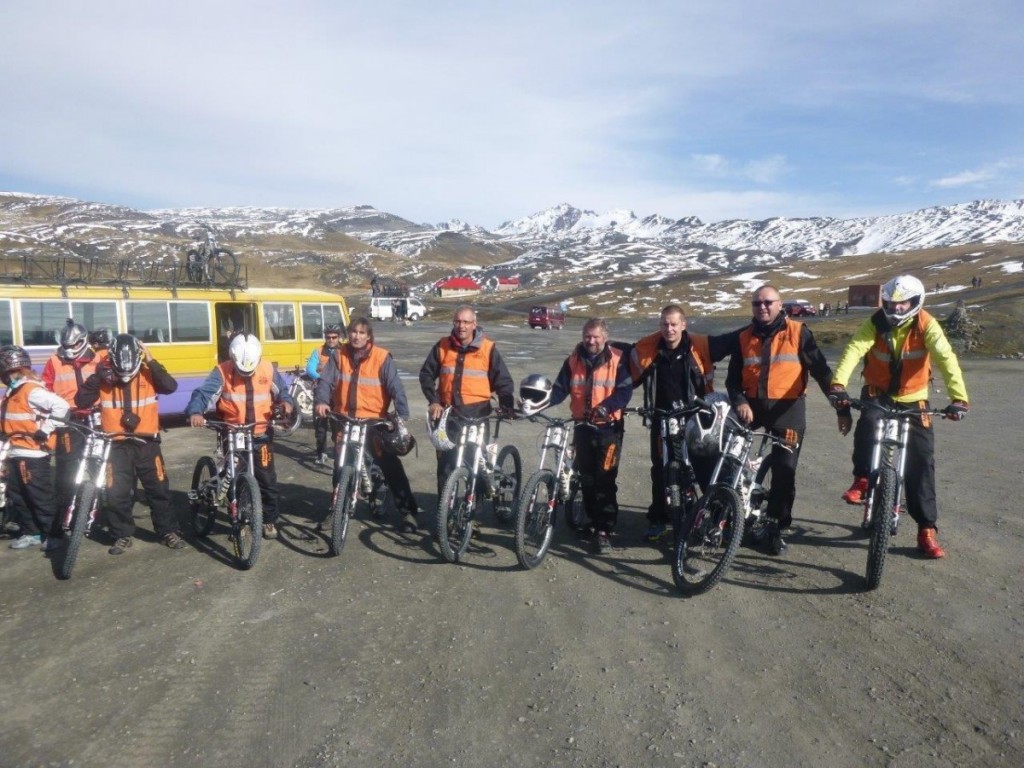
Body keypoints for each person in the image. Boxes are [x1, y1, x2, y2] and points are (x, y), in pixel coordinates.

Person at [828, 275, 968, 558]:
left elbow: (945, 358)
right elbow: (855, 349)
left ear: (916, 302)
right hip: (877, 392)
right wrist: (838, 384)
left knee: (922, 460)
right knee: (867, 426)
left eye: (903, 304)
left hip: (914, 397)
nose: (897, 309)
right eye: (892, 304)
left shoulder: (926, 324)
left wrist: (959, 398)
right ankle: (863, 479)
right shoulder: (876, 322)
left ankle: (926, 529)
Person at [721, 285, 838, 556]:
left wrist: (838, 401)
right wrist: (739, 401)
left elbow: (821, 369)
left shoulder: (798, 332)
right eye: (756, 303)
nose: (762, 307)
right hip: (752, 408)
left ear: (779, 304)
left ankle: (776, 526)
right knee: (725, 454)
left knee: (785, 469)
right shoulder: (743, 337)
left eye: (768, 302)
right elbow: (732, 380)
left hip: (788, 410)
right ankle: (726, 509)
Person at [526, 318, 632, 553]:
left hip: (609, 429)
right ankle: (591, 521)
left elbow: (625, 391)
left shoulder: (617, 359)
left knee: (604, 479)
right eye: (587, 336)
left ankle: (604, 529)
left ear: (604, 337)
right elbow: (560, 389)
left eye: (595, 337)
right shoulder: (573, 360)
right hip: (583, 426)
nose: (591, 341)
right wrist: (537, 405)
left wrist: (606, 406)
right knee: (587, 478)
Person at [76, 333, 186, 554]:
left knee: (158, 490)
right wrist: (98, 376)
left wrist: (151, 361)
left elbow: (170, 386)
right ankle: (122, 535)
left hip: (147, 443)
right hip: (116, 445)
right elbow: (81, 400)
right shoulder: (103, 377)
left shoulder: (148, 373)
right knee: (116, 493)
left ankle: (167, 531)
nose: (125, 374)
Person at [629, 304, 730, 543]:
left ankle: (717, 518)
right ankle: (659, 519)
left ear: (684, 325)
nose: (669, 329)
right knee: (661, 469)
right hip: (661, 418)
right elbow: (625, 370)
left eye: (674, 324)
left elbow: (734, 340)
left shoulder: (698, 348)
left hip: (695, 417)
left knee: (704, 466)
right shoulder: (651, 352)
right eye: (665, 324)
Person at [314, 317, 420, 532]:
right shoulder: (339, 356)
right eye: (353, 332)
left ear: (369, 336)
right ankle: (336, 510)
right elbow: (325, 381)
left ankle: (408, 512)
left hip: (374, 422)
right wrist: (322, 401)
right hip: (345, 420)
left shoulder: (382, 358)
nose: (356, 336)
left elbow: (395, 387)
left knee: (390, 466)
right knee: (340, 467)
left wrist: (401, 413)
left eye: (362, 333)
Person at [185, 333, 294, 540]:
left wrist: (287, 404)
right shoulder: (221, 372)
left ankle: (268, 520)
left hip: (260, 432)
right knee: (234, 478)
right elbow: (203, 394)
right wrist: (195, 412)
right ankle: (238, 520)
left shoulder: (268, 369)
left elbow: (283, 392)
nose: (246, 374)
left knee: (268, 480)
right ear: (232, 359)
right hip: (232, 432)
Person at [419, 305, 515, 500]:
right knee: (446, 466)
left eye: (466, 322)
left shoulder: (488, 348)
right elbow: (426, 375)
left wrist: (506, 405)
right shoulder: (442, 346)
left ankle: (473, 519)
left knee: (477, 464)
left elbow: (503, 381)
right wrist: (434, 401)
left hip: (478, 415)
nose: (461, 326)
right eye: (458, 321)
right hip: (450, 416)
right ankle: (444, 514)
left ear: (474, 324)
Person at [1, 345, 70, 550]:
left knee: (40, 497)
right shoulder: (13, 391)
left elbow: (62, 407)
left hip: (33, 453)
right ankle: (32, 532)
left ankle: (54, 535)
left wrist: (46, 429)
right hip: (15, 450)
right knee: (18, 495)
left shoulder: (31, 390)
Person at [41, 320, 106, 518]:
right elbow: (45, 388)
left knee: (101, 463)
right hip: (69, 419)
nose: (70, 350)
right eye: (66, 345)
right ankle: (65, 511)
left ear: (84, 341)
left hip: (97, 418)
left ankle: (103, 504)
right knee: (66, 466)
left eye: (75, 345)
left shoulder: (99, 359)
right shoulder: (54, 360)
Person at [305, 323, 343, 465]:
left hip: (338, 395)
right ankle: (321, 452)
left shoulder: (344, 351)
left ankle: (338, 451)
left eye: (334, 337)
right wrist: (323, 380)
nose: (331, 340)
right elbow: (310, 369)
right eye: (328, 337)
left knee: (337, 426)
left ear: (339, 337)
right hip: (321, 393)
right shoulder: (318, 351)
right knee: (320, 425)